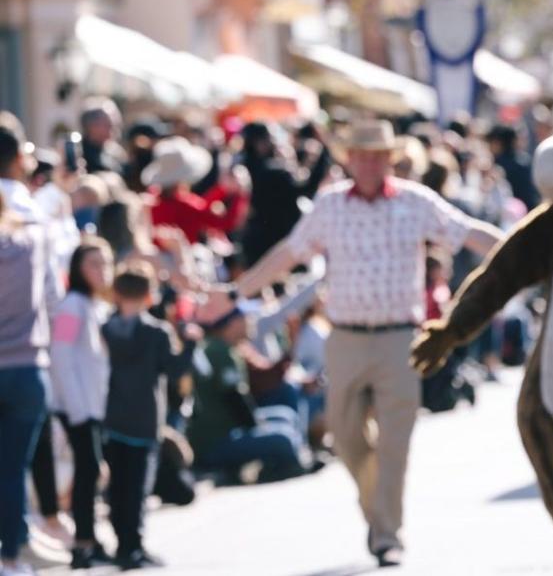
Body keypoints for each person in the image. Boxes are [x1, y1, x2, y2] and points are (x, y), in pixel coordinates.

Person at [210, 118, 502, 567]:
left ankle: (386, 533)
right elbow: (289, 253)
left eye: (378, 155)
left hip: (401, 338)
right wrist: (236, 293)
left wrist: (524, 253)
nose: (370, 163)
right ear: (349, 160)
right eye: (362, 155)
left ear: (390, 158)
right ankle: (378, 508)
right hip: (345, 337)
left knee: (395, 442)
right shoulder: (329, 207)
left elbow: (468, 231)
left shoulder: (413, 201)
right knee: (345, 438)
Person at [0, 122, 61, 576]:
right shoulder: (37, 222)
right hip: (25, 362)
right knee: (13, 464)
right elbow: (53, 299)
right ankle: (13, 549)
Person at [102, 264, 188, 570]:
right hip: (145, 418)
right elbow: (175, 371)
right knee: (137, 487)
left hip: (111, 417)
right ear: (149, 294)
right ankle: (133, 545)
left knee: (117, 486)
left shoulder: (105, 329)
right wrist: (189, 342)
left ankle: (121, 541)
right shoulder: (158, 332)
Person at [48, 237, 114, 569]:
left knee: (90, 474)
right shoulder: (71, 305)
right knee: (86, 474)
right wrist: (76, 409)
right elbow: (60, 356)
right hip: (77, 408)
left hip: (93, 405)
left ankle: (89, 537)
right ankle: (83, 541)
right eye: (93, 264)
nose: (101, 271)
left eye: (105, 263)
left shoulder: (94, 305)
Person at [186, 304, 304, 484]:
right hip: (214, 442)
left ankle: (293, 459)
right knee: (283, 438)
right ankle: (278, 466)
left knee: (285, 417)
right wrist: (257, 426)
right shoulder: (219, 350)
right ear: (230, 324)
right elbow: (234, 399)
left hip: (227, 429)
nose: (250, 322)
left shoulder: (226, 347)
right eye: (243, 318)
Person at [238, 122, 332, 265]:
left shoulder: (246, 164)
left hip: (254, 235)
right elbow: (303, 185)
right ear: (259, 143)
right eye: (270, 138)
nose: (274, 143)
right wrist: (314, 157)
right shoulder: (271, 169)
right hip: (272, 239)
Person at [144, 136, 248, 243]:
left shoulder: (152, 197)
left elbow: (201, 207)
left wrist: (221, 190)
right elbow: (225, 223)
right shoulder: (185, 204)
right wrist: (240, 195)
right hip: (182, 256)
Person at [80, 98, 126, 175]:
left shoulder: (115, 153)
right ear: (92, 126)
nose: (113, 127)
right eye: (108, 123)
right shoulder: (79, 155)